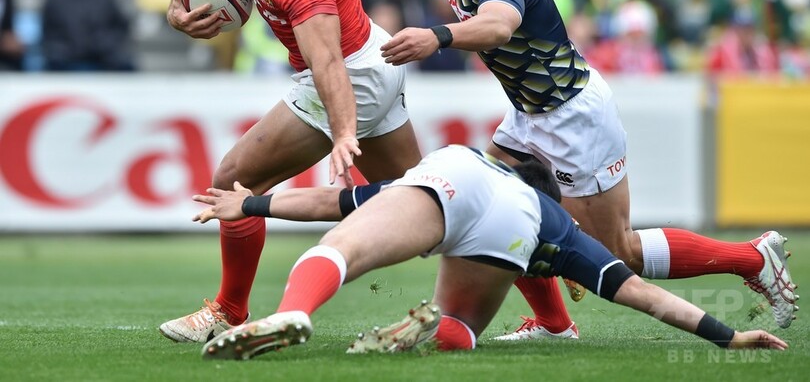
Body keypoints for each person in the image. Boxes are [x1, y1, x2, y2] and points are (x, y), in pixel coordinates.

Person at [238, 0, 799, 340]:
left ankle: (750, 257)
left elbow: (499, 24)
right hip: (529, 113)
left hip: (575, 116)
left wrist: (438, 36)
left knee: (618, 253)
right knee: (497, 211)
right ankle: (554, 324)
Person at [159, 0, 423, 343]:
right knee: (430, 199)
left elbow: (327, 62)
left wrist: (344, 134)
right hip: (371, 56)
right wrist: (175, 11)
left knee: (234, 178)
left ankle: (228, 311)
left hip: (353, 74)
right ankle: (549, 307)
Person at [190, 145, 789, 358]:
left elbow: (333, 201)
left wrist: (250, 205)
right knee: (459, 327)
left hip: (455, 175)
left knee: (340, 247)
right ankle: (433, 329)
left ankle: (294, 312)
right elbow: (642, 295)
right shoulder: (556, 223)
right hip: (513, 230)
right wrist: (729, 336)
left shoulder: (477, 161)